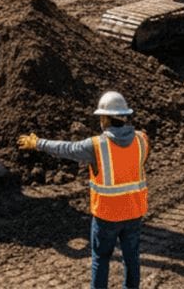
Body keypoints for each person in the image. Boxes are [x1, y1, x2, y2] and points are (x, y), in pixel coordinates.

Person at [18, 91, 149, 289]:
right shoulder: (142, 140)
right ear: (124, 115)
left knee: (101, 259)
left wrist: (38, 143)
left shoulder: (96, 145)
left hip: (107, 216)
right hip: (134, 213)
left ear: (105, 118)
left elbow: (66, 149)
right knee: (132, 258)